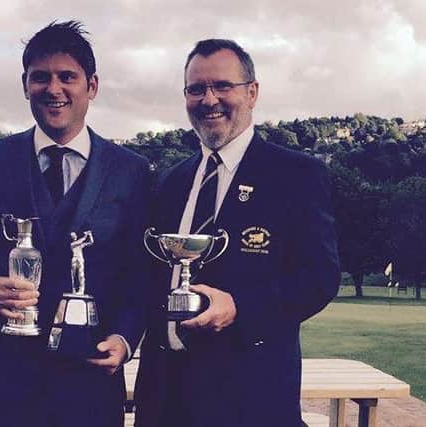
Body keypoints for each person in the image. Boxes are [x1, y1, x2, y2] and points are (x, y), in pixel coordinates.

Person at [0, 21, 150, 427]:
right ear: (25, 85)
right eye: (41, 78)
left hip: (90, 384)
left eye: (67, 77)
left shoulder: (133, 171)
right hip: (2, 383)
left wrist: (125, 340)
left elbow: (139, 275)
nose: (54, 89)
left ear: (92, 86)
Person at [134, 39, 340, 427]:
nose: (209, 99)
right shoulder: (170, 182)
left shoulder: (296, 175)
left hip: (249, 401)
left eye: (222, 86)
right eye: (196, 89)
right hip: (164, 402)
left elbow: (319, 278)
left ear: (252, 92)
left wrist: (240, 307)